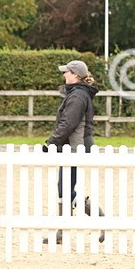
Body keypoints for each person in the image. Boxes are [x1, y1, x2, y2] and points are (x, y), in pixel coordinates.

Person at [43, 60, 104, 243]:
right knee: (65, 189)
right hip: (73, 146)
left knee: (65, 189)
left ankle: (100, 219)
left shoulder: (77, 96)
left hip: (75, 147)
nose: (64, 75)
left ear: (76, 75)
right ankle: (63, 232)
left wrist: (51, 143)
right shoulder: (77, 94)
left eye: (67, 72)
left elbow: (68, 124)